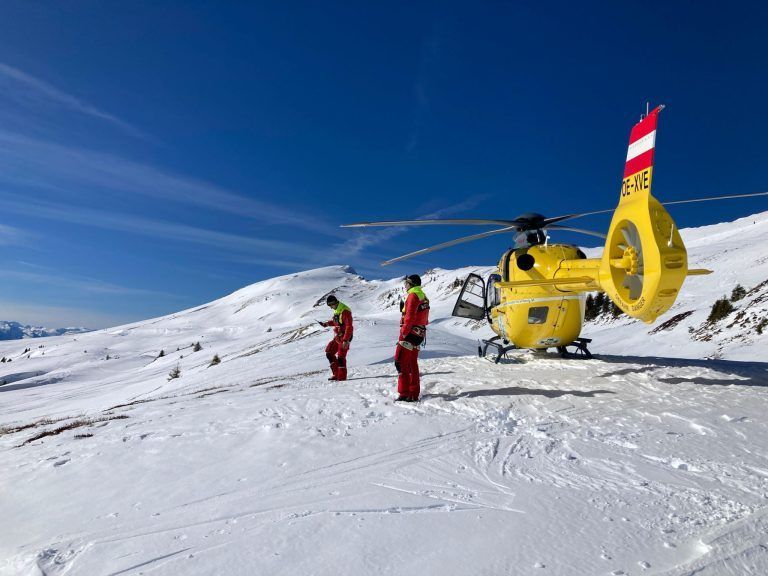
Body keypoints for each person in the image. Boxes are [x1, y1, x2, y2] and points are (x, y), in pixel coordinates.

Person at [395, 274, 430, 402]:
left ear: (411, 284)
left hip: (409, 333)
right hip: (419, 334)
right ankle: (413, 393)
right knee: (411, 364)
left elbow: (409, 317)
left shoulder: (412, 296)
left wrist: (403, 334)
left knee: (400, 361)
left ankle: (404, 393)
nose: (405, 285)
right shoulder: (423, 296)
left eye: (406, 283)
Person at [319, 295, 353, 381]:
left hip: (345, 337)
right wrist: (326, 324)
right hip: (338, 336)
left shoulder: (345, 311)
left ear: (334, 303)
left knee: (341, 357)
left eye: (330, 305)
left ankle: (341, 378)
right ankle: (336, 374)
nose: (330, 307)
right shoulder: (337, 310)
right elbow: (337, 322)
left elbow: (349, 326)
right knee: (329, 352)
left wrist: (346, 340)